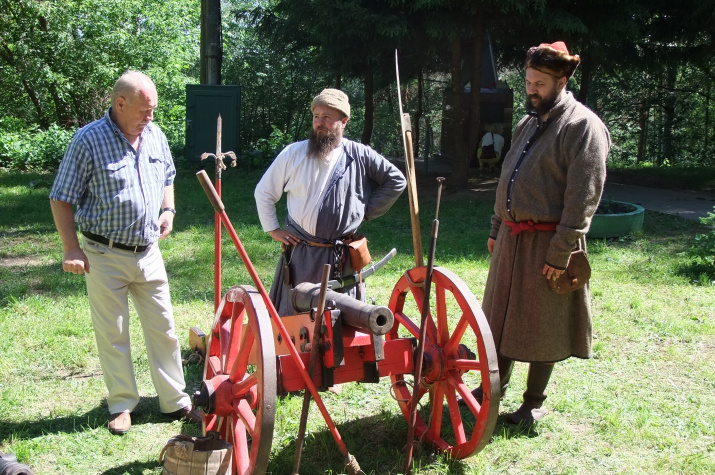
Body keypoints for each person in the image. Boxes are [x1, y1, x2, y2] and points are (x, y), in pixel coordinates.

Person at [49, 70, 200, 435]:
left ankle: (175, 400)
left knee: (164, 328)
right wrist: (71, 248)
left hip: (148, 252)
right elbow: (61, 197)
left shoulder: (155, 136)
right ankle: (121, 404)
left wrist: (168, 210)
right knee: (113, 332)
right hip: (103, 253)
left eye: (153, 111)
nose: (150, 118)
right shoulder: (88, 141)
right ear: (120, 103)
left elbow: (168, 176)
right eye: (145, 111)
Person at [469, 42, 611, 424]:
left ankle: (533, 404)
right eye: (529, 81)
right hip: (513, 240)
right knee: (502, 318)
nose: (531, 90)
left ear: (562, 81)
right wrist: (498, 227)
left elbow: (584, 196)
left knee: (542, 323)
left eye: (540, 83)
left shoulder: (583, 127)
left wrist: (561, 250)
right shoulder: (527, 123)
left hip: (549, 244)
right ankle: (490, 389)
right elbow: (507, 180)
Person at [255, 88, 406, 317]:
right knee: (296, 314)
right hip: (303, 254)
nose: (320, 123)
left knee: (344, 317)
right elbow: (264, 192)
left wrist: (365, 212)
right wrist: (273, 229)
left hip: (342, 256)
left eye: (327, 117)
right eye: (316, 117)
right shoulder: (293, 154)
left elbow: (396, 180)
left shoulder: (360, 154)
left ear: (343, 121)